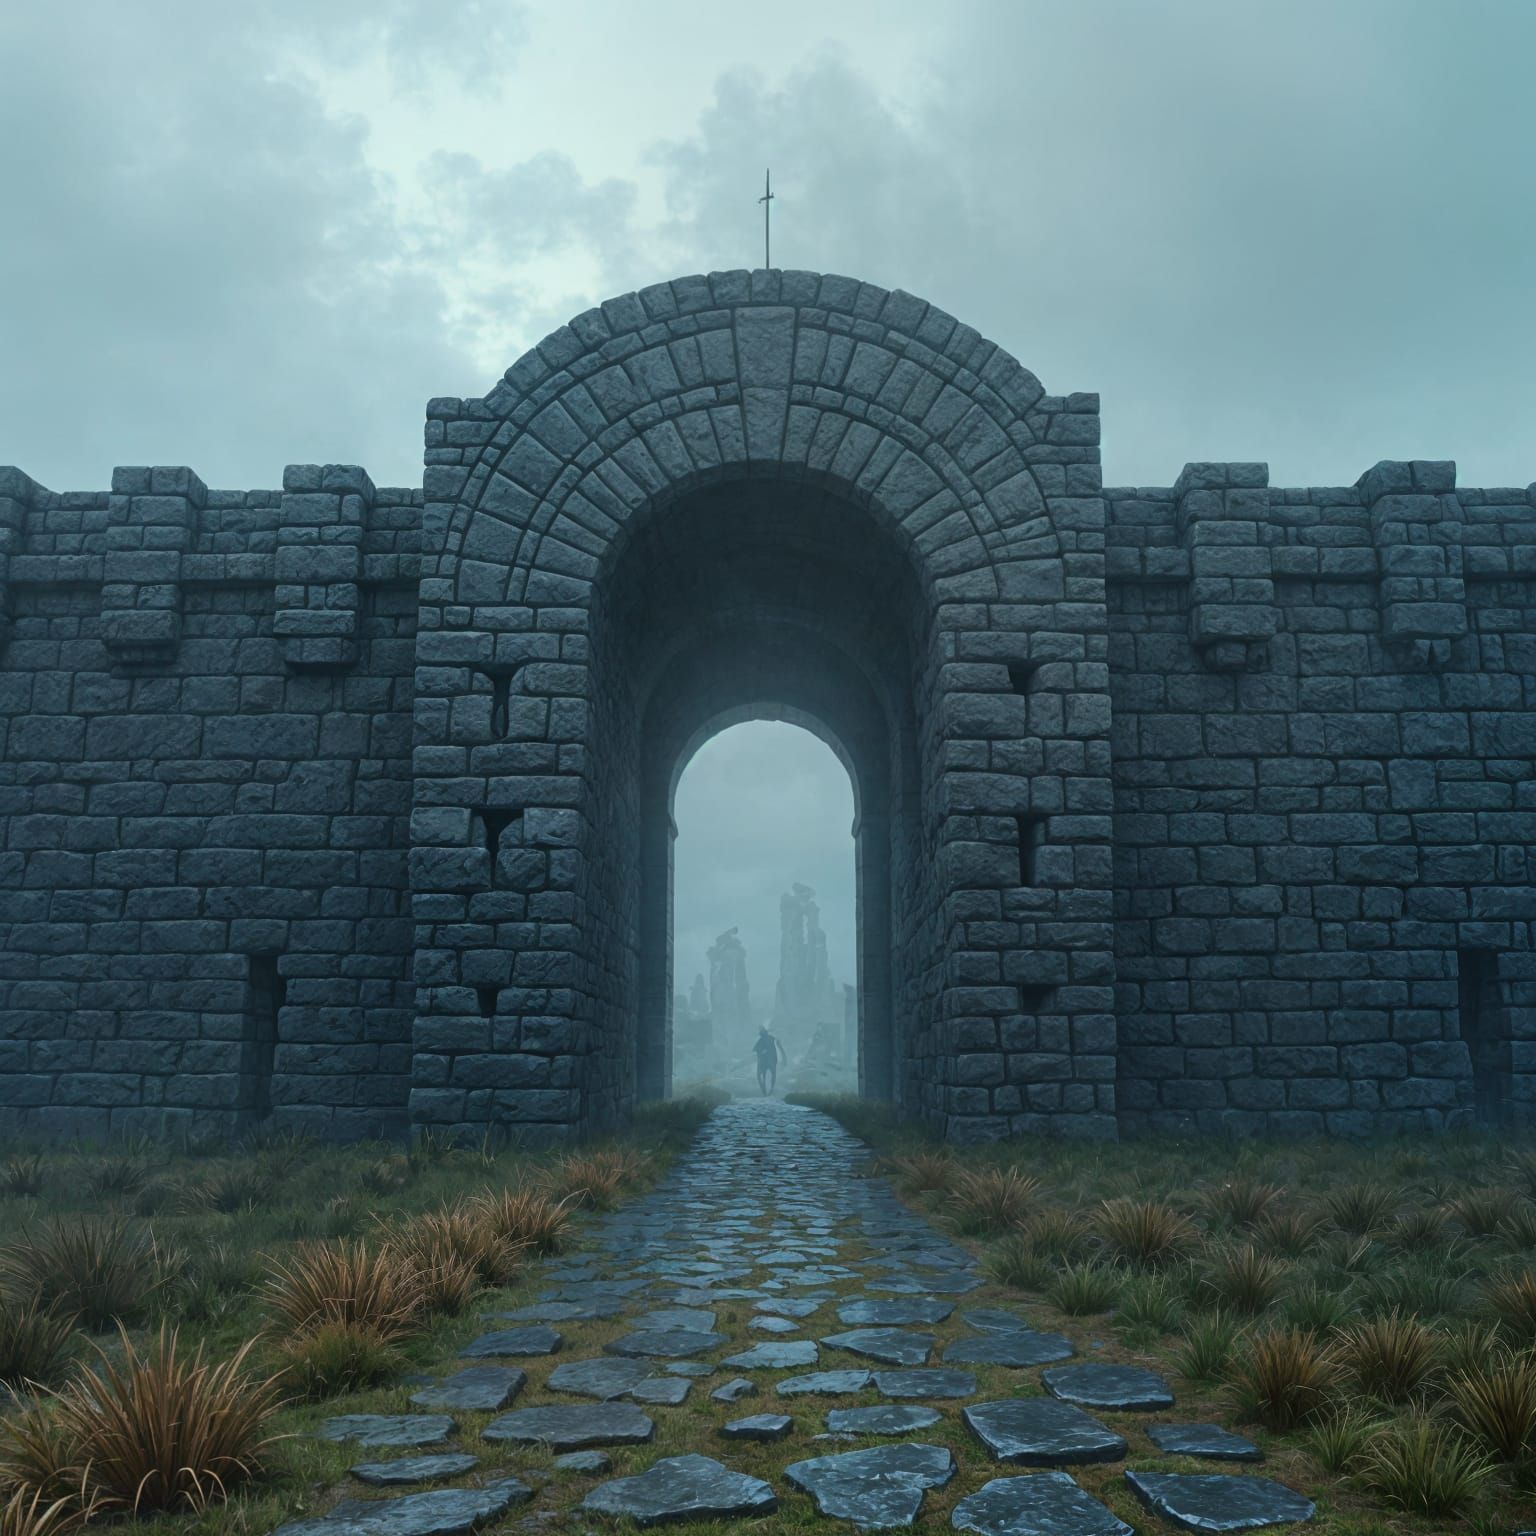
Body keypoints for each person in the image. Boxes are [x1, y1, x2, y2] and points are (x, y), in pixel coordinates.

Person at [753, 1025, 787, 1095]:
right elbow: (756, 1050)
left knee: (762, 1076)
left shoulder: (770, 1039)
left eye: (761, 1031)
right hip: (767, 1061)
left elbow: (756, 1050)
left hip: (767, 1061)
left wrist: (784, 1059)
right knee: (762, 1076)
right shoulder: (764, 1040)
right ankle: (766, 1091)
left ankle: (767, 1091)